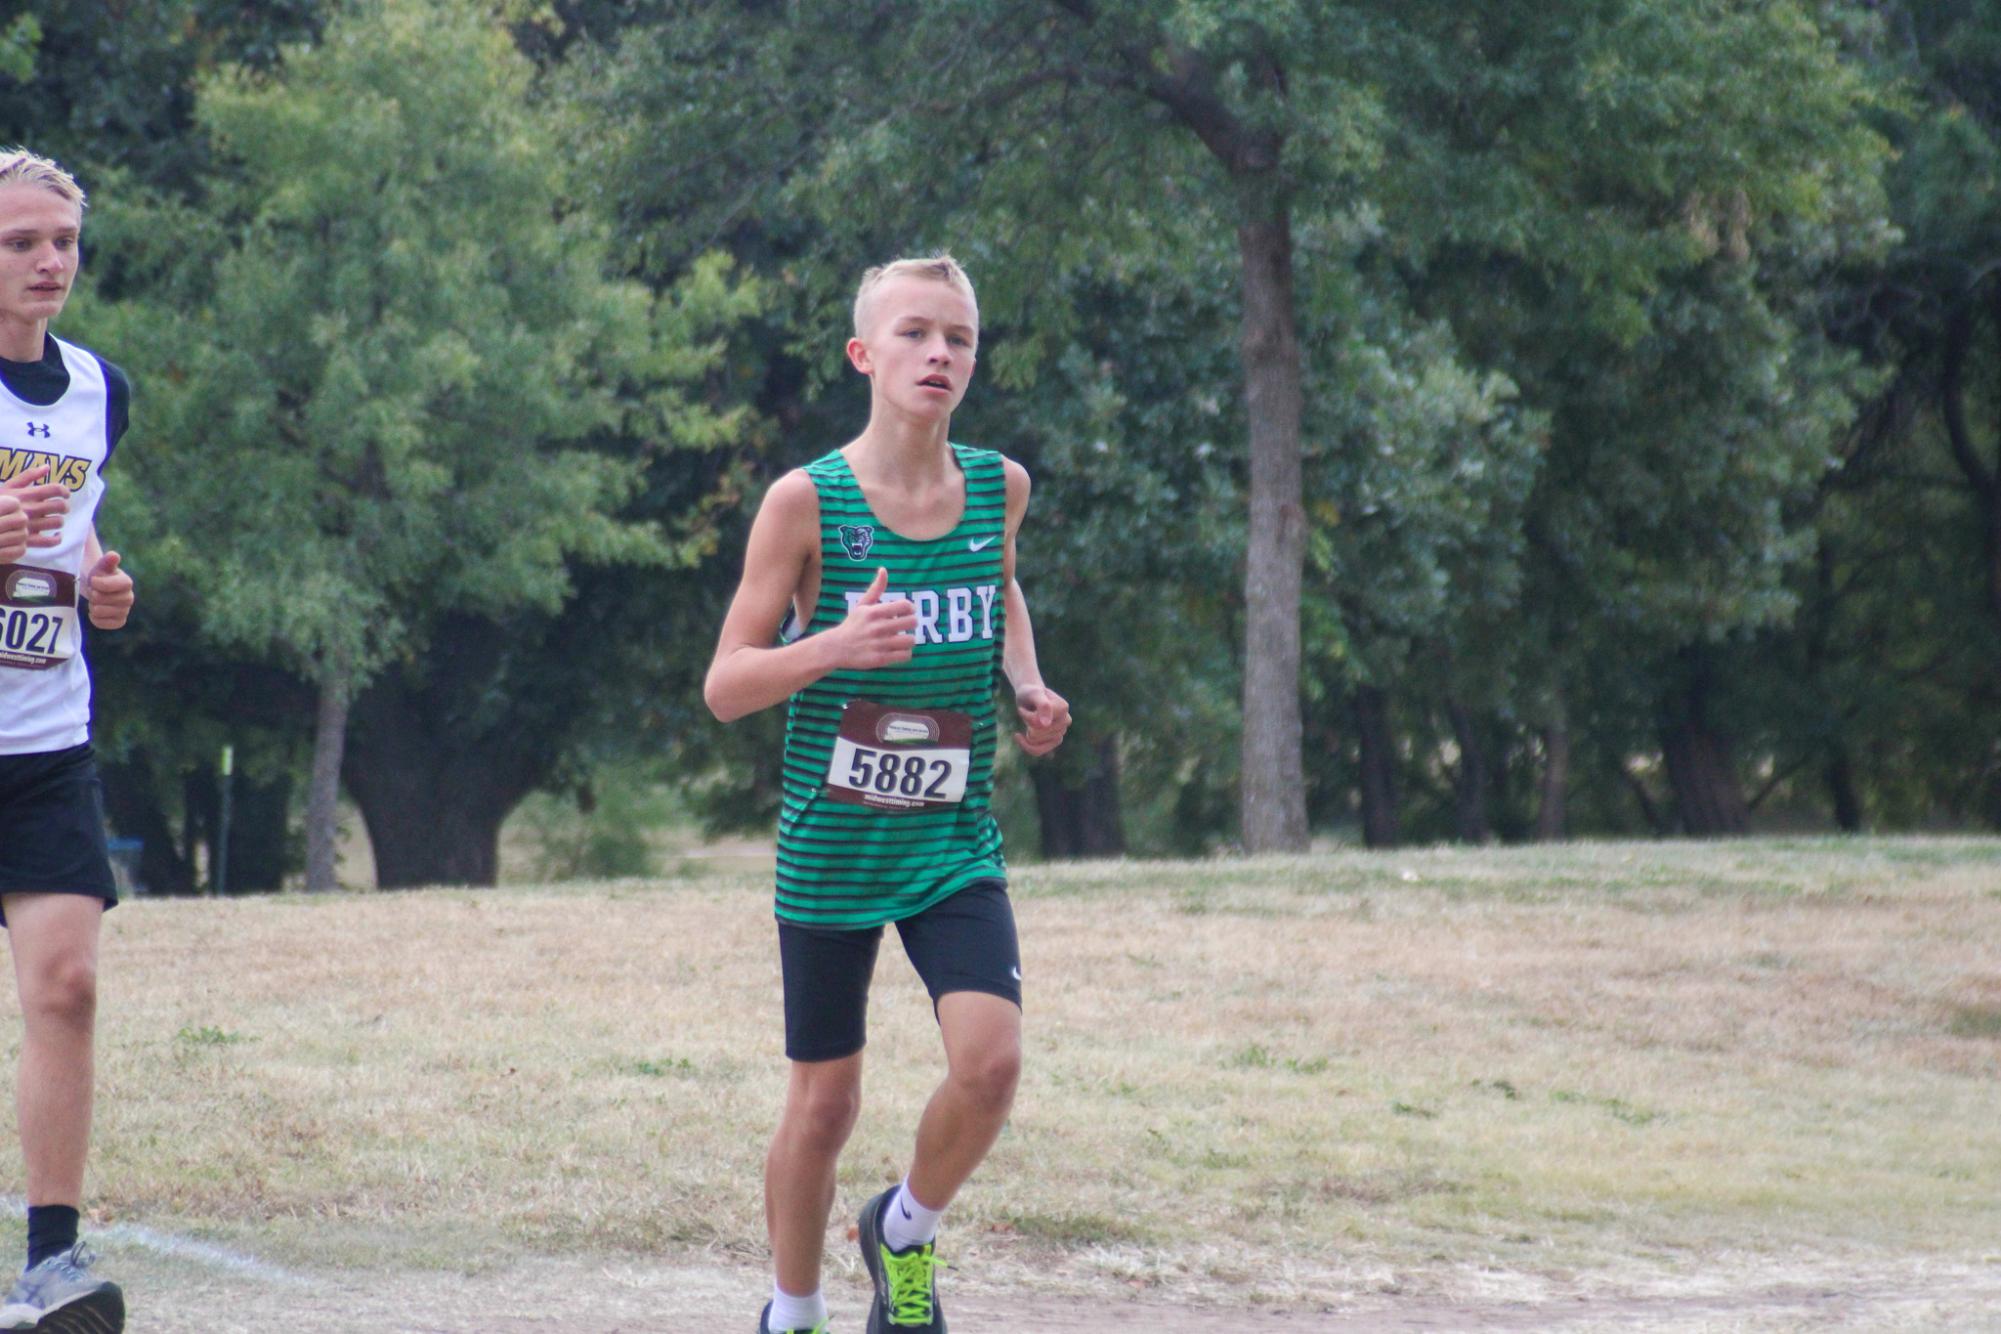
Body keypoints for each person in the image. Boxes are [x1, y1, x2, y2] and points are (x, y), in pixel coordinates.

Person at [706, 254, 1070, 1334]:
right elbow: (726, 685)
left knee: (992, 1063)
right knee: (825, 1104)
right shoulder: (804, 502)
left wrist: (1028, 683)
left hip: (952, 836)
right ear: (866, 355)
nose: (939, 354)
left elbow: (998, 584)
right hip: (835, 848)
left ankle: (903, 1228)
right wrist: (835, 644)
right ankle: (795, 1309)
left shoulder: (998, 486)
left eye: (957, 338)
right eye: (915, 333)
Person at [0, 147, 137, 1334]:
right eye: (21, 242)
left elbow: (81, 538)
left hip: (44, 734)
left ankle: (51, 1258)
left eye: (63, 242)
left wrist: (101, 587)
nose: (50, 261)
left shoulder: (101, 388)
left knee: (68, 982)